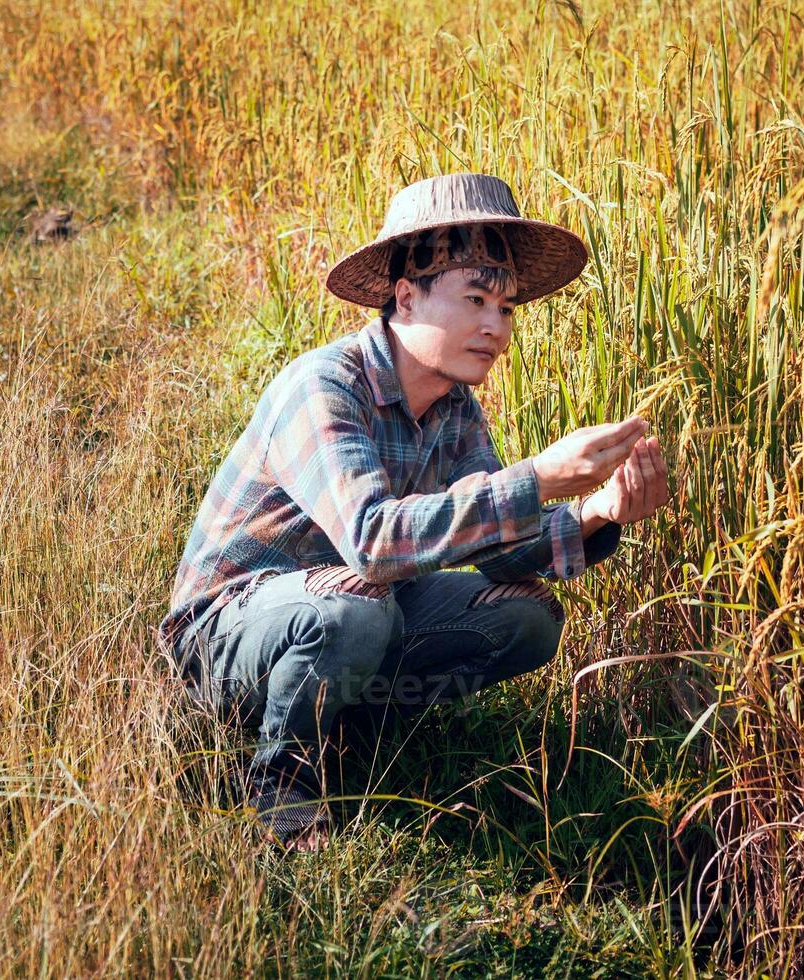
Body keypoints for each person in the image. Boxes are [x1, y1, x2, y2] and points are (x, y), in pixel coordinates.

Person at [156, 173, 670, 850]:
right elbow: (373, 544)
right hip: (223, 637)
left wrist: (601, 510)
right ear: (406, 297)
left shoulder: (455, 410)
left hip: (346, 612)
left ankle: (349, 734)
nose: (495, 326)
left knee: (525, 618)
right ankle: (282, 789)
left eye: (508, 308)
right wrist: (538, 478)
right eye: (477, 299)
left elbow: (502, 552)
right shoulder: (326, 385)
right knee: (354, 605)